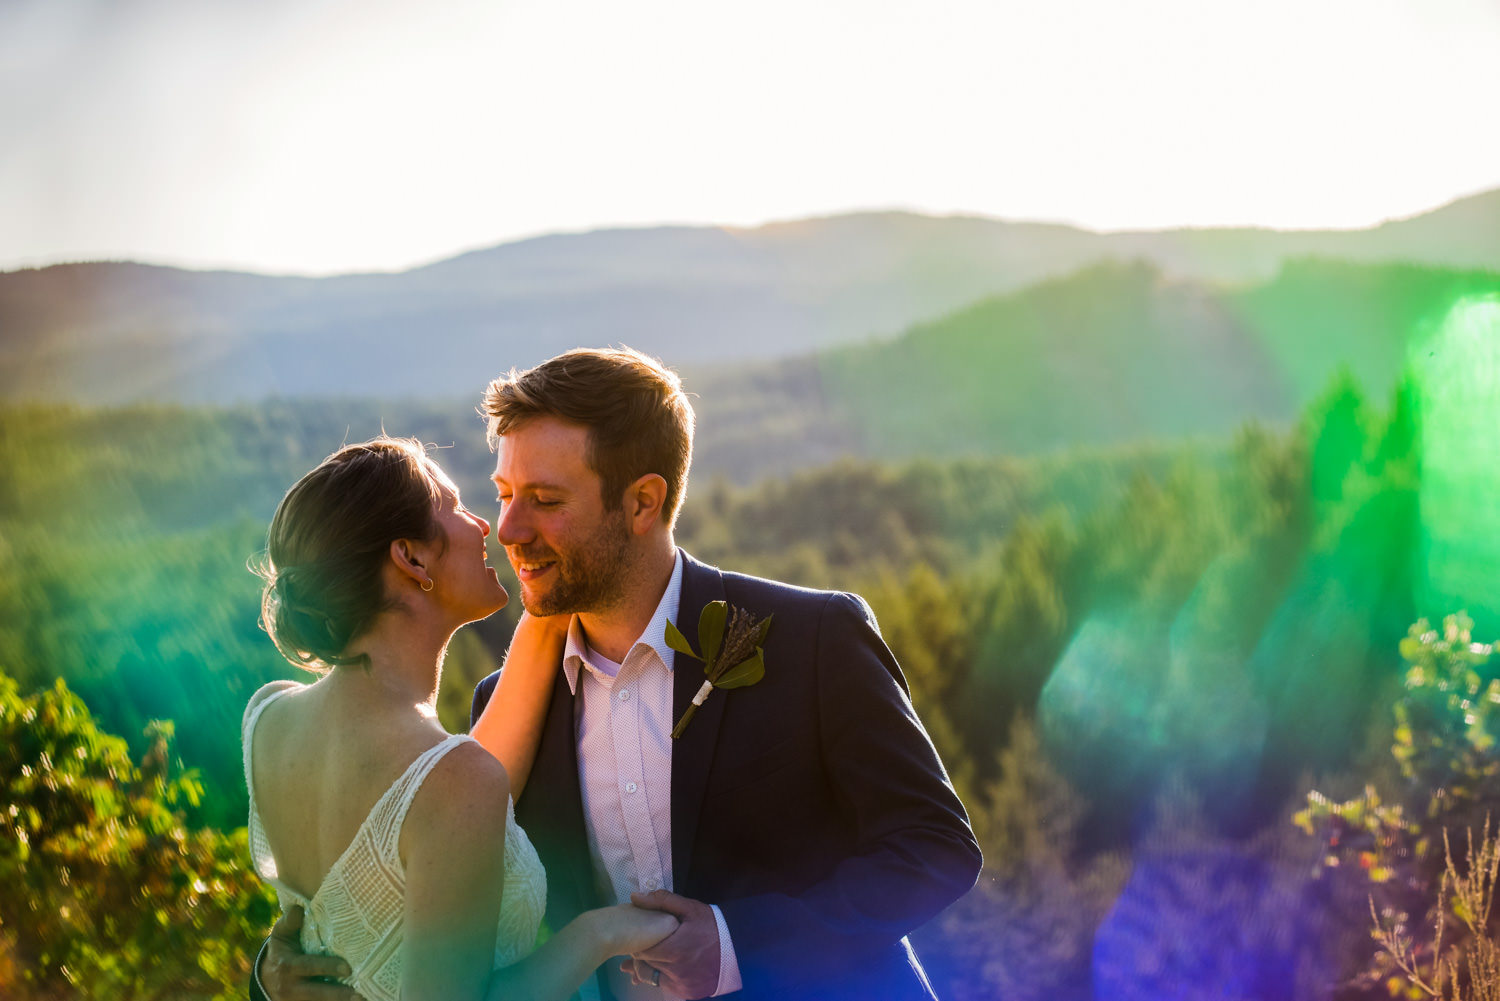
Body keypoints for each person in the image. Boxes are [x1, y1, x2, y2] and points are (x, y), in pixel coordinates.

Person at [260, 348, 982, 1001]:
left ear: (642, 501)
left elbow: (935, 847)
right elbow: (418, 915)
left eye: (544, 500)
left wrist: (735, 944)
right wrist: (281, 970)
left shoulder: (811, 637)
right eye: (504, 493)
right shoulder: (506, 710)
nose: (507, 529)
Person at [243, 436, 677, 1001]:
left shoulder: (268, 719)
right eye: (454, 508)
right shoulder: (451, 778)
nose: (486, 526)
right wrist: (601, 932)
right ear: (412, 557)